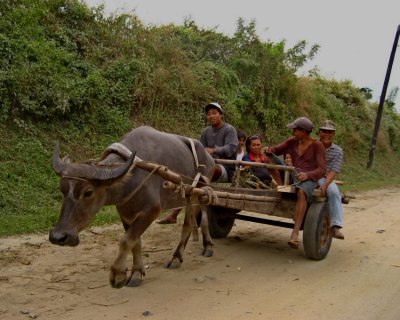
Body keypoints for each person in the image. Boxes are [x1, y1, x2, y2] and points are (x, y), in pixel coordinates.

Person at [157, 102, 239, 224]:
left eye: (214, 113)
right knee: (190, 175)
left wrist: (213, 150)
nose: (211, 116)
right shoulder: (206, 131)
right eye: (208, 114)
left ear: (221, 115)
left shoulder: (229, 129)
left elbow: (231, 148)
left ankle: (174, 214)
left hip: (226, 168)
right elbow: (199, 149)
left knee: (197, 176)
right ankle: (174, 211)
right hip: (206, 166)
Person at [264, 116, 326, 249]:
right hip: (292, 174)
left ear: (303, 131)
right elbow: (276, 150)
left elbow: (322, 170)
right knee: (267, 158)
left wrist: (307, 175)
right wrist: (269, 150)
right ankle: (282, 186)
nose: (293, 132)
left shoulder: (317, 145)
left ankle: (295, 233)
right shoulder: (292, 141)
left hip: (308, 178)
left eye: (295, 130)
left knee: (301, 192)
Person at [318, 119, 345, 239]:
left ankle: (336, 226)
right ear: (319, 132)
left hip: (325, 178)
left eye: (330, 132)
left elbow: (333, 171)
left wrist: (324, 185)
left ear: (333, 134)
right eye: (324, 131)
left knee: (333, 192)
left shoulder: (338, 151)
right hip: (310, 174)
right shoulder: (312, 145)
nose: (326, 134)